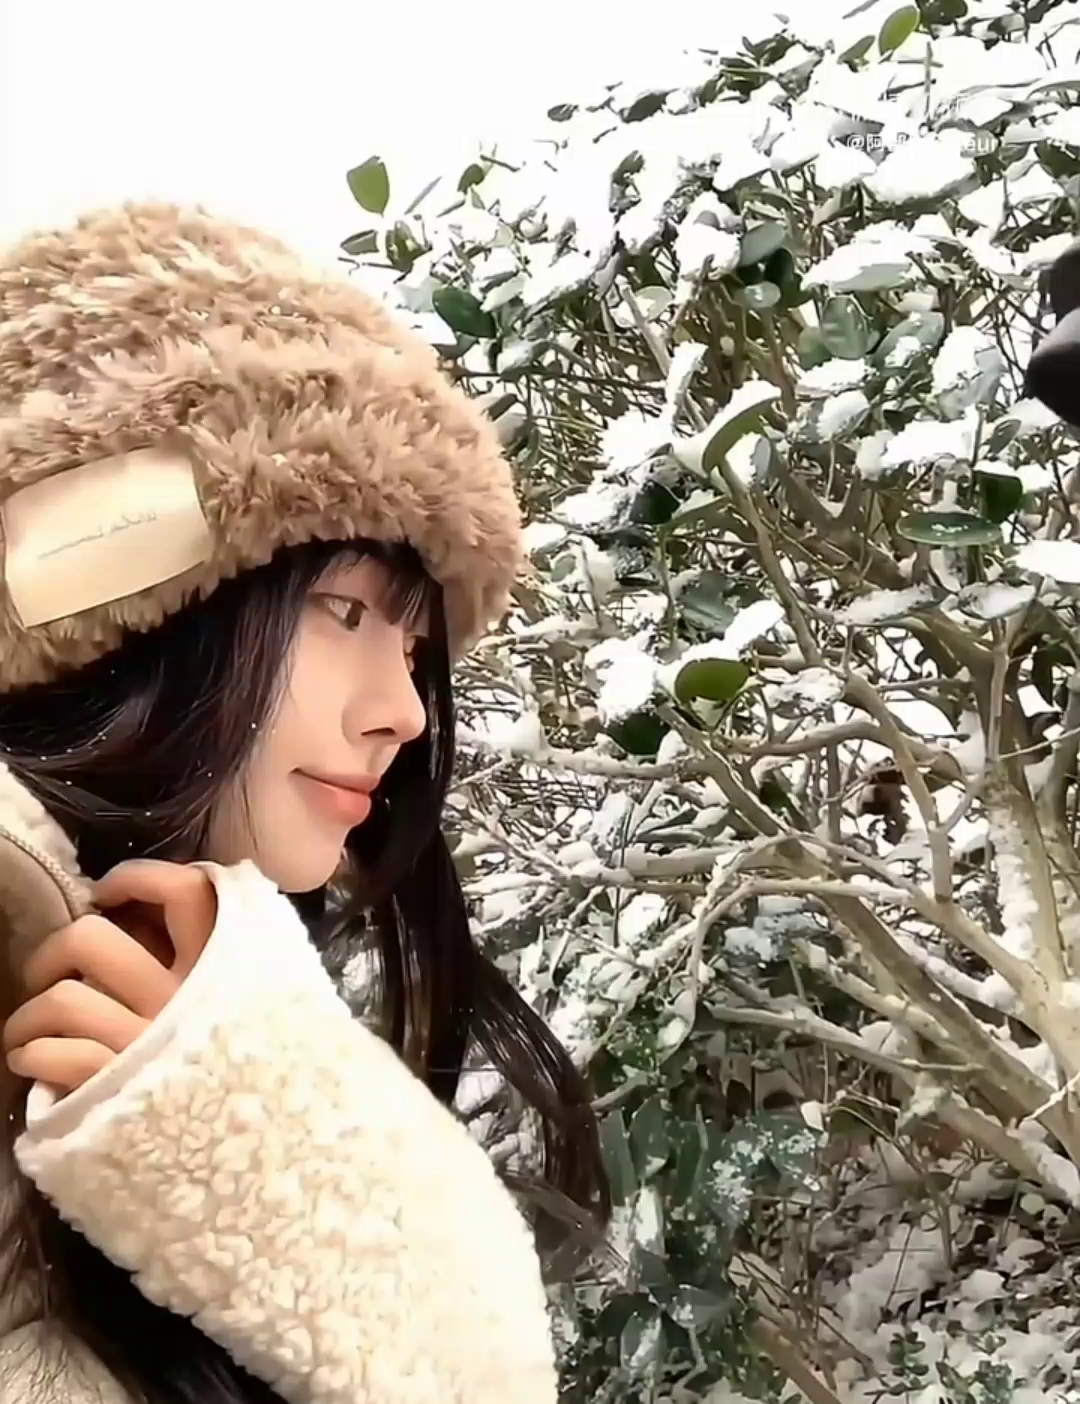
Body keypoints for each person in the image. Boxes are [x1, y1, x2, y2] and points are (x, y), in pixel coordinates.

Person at [0, 203, 610, 1404]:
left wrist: (259, 1144)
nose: (406, 712)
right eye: (344, 611)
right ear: (125, 602)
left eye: (416, 645)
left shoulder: (197, 1006)